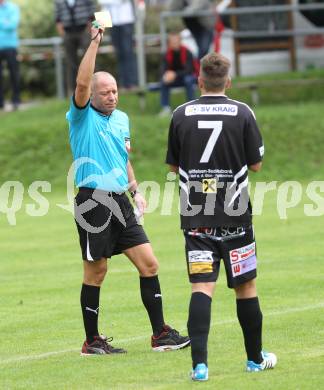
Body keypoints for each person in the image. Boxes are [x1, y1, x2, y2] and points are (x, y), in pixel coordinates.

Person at [66, 21, 190, 355]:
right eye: (104, 91)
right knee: (97, 271)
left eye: (115, 90)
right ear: (91, 95)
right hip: (92, 201)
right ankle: (91, 341)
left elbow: (123, 158)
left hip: (120, 200)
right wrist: (94, 43)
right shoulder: (81, 117)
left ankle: (160, 334)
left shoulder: (121, 119)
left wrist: (136, 190)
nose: (112, 95)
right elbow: (81, 81)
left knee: (149, 263)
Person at [165, 52, 277, 381]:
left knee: (202, 286)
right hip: (235, 214)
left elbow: (173, 166)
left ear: (199, 81)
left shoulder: (181, 113)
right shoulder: (242, 111)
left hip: (196, 213)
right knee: (246, 287)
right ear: (228, 82)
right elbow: (256, 164)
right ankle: (255, 359)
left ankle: (199, 366)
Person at [55, 0, 95, 95]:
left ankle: (93, 88)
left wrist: (89, 29)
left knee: (89, 59)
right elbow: (57, 17)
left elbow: (92, 11)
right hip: (68, 32)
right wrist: (62, 33)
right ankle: (73, 91)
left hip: (84, 30)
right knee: (70, 62)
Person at [98, 0, 138, 90]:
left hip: (126, 21)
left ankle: (132, 82)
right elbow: (101, 2)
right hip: (112, 22)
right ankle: (123, 83)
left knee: (128, 52)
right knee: (119, 54)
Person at [159, 32, 196, 117]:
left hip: (186, 77)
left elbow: (189, 70)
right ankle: (165, 108)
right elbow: (162, 70)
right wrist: (166, 76)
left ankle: (192, 106)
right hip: (173, 79)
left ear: (180, 41)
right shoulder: (166, 54)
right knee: (163, 81)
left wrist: (175, 74)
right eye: (172, 42)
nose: (174, 44)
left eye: (176, 41)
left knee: (188, 80)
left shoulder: (187, 52)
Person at [0, 0, 20, 111]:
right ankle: (0, 103)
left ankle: (16, 100)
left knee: (14, 74)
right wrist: (4, 22)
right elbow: (8, 24)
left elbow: (13, 25)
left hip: (10, 46)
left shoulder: (13, 7)